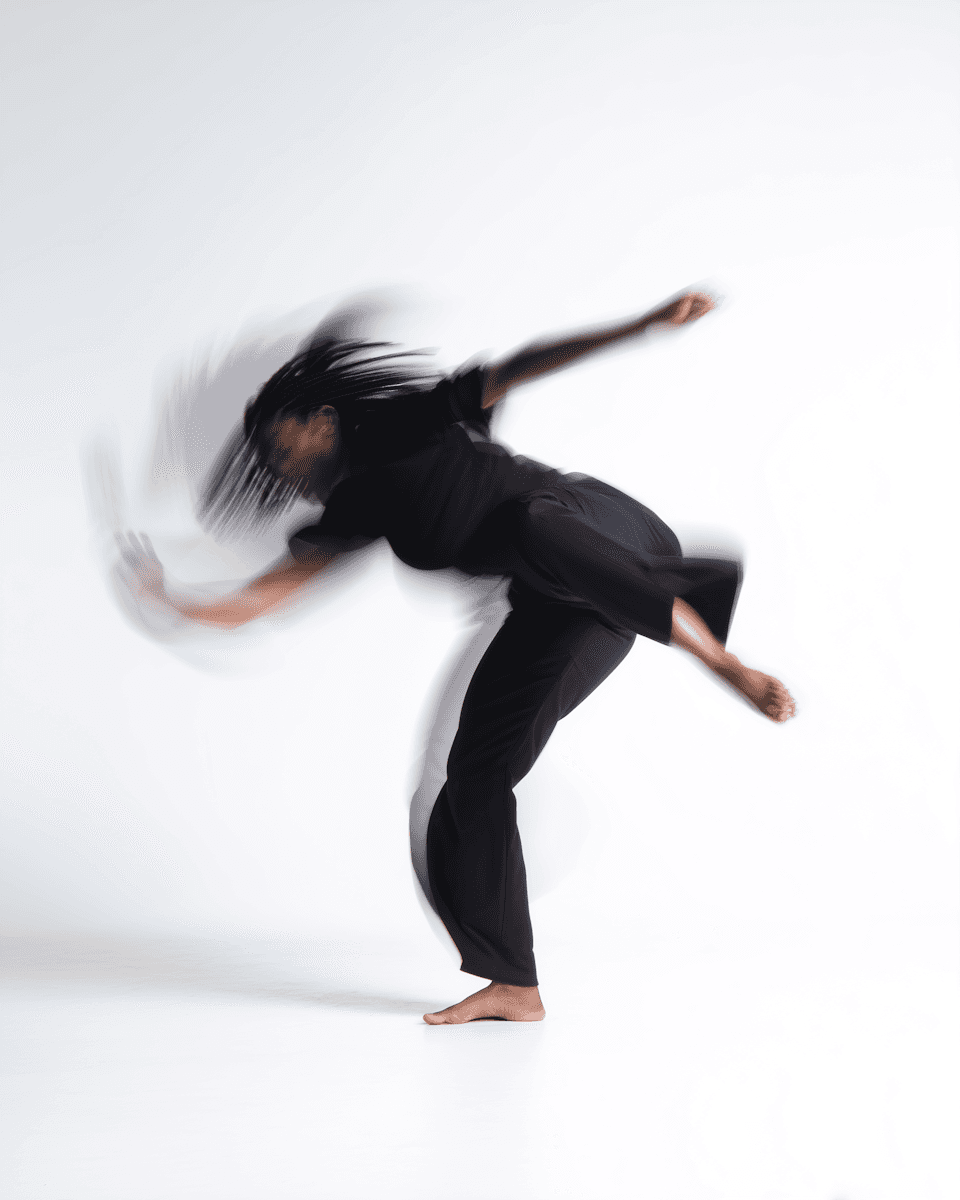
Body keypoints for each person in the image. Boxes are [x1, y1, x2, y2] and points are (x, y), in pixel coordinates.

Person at [118, 290, 796, 1025]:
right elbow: (264, 598)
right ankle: (514, 981)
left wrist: (640, 326)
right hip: (566, 607)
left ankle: (723, 663)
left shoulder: (411, 422)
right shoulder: (351, 514)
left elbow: (519, 367)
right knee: (468, 780)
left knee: (534, 525)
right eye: (271, 465)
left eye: (284, 449)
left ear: (323, 422)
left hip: (602, 532)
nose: (281, 471)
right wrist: (176, 603)